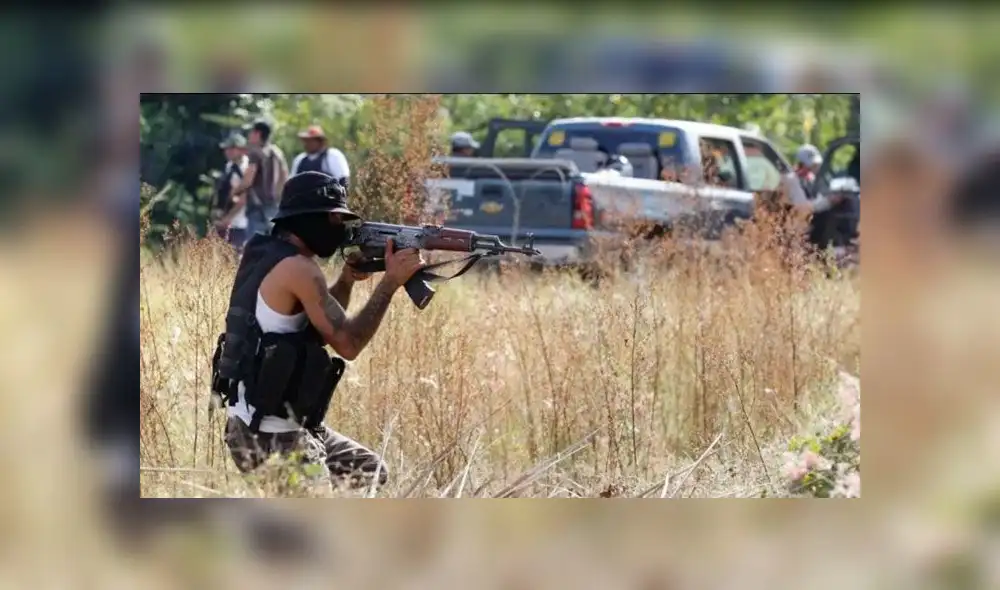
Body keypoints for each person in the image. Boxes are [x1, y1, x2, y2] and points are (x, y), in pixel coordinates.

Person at [212, 171, 426, 492]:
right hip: (271, 436)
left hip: (260, 423)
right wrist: (391, 282)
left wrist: (346, 280)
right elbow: (348, 344)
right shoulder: (300, 269)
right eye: (334, 218)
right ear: (307, 219)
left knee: (371, 473)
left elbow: (319, 326)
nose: (340, 227)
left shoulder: (263, 253)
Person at [231, 119, 289, 241]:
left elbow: (248, 180)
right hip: (274, 207)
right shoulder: (277, 153)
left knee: (255, 245)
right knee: (273, 242)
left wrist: (234, 192)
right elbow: (285, 177)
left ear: (257, 134)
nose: (249, 135)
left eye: (251, 132)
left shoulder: (255, 153)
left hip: (257, 207)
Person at [212, 133, 250, 253]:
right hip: (225, 221)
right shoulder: (229, 166)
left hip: (241, 223)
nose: (227, 151)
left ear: (241, 150)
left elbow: (244, 198)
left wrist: (228, 219)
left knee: (236, 255)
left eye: (231, 148)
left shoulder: (247, 169)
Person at [289, 125, 351, 189]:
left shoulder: (332, 155)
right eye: (306, 141)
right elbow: (291, 183)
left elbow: (343, 179)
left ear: (320, 141)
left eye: (311, 140)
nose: (307, 143)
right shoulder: (300, 159)